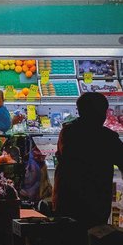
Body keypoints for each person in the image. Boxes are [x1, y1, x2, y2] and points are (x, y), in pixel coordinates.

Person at [52, 91, 123, 230]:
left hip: (67, 199)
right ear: (103, 113)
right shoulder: (108, 138)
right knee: (93, 243)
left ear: (79, 111)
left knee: (67, 242)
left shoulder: (68, 132)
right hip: (96, 202)